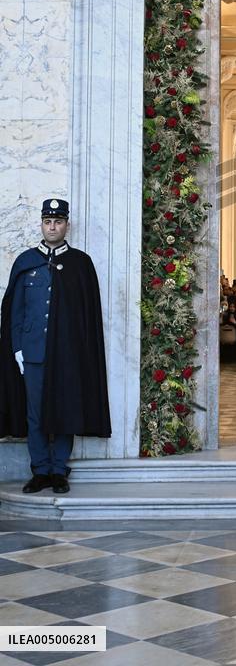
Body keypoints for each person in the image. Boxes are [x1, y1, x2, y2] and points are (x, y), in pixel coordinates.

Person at [0, 199, 111, 494]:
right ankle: (40, 471)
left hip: (67, 353)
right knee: (35, 413)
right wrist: (18, 350)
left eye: (58, 222)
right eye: (48, 222)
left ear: (66, 225)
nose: (53, 227)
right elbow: (15, 310)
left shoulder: (80, 264)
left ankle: (59, 470)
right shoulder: (25, 261)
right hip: (33, 353)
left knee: (65, 409)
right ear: (41, 224)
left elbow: (88, 316)